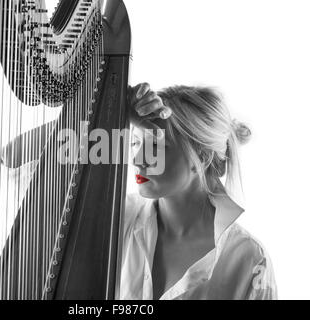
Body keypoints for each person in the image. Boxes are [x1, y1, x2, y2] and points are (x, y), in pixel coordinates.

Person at [118, 83, 277, 300]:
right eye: (135, 142)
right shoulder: (118, 219)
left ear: (202, 158)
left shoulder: (249, 259)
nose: (137, 160)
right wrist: (111, 101)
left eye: (155, 145)